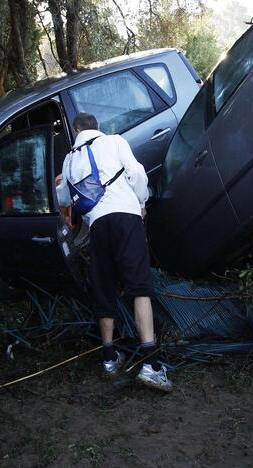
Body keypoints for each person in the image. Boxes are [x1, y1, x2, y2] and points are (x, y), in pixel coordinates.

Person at [56, 112, 172, 392]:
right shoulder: (114, 141)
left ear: (76, 130)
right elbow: (137, 173)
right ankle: (150, 364)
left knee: (103, 285)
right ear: (98, 127)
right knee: (139, 286)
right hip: (125, 216)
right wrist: (142, 202)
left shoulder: (70, 159)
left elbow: (63, 197)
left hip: (97, 225)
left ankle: (109, 358)